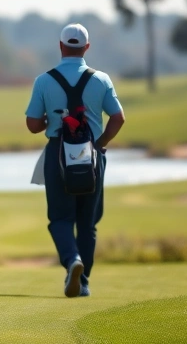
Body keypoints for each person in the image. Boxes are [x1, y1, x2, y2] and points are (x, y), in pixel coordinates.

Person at [25, 23, 125, 298]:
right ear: (86, 47)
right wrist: (101, 144)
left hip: (58, 153)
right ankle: (84, 282)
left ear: (60, 46)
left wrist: (49, 119)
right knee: (87, 222)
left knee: (60, 218)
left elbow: (32, 124)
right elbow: (118, 118)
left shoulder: (44, 80)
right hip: (92, 154)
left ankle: (72, 261)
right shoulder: (102, 79)